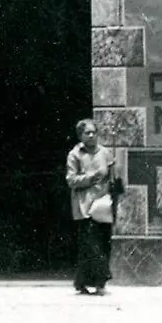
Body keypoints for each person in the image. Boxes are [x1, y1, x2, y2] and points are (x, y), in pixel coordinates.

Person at [66, 119, 115, 295]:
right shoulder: (75, 155)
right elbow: (71, 180)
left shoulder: (105, 153)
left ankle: (89, 283)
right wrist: (89, 178)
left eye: (94, 132)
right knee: (91, 247)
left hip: (103, 206)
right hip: (85, 207)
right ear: (80, 135)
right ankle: (97, 281)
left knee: (103, 244)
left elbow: (112, 175)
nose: (92, 135)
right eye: (88, 133)